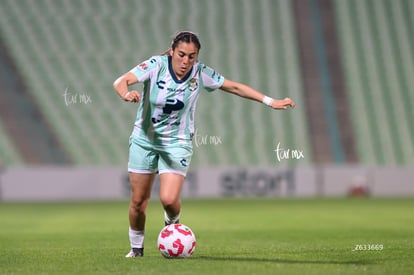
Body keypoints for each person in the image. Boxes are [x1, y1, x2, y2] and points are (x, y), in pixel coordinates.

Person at [113, 31, 295, 257]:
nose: (186, 61)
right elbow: (121, 81)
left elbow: (235, 87)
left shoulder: (199, 73)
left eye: (192, 56)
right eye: (181, 55)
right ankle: (136, 249)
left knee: (169, 200)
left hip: (177, 142)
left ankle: (173, 222)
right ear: (172, 51)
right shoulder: (156, 65)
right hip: (144, 140)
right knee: (139, 202)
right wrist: (125, 93)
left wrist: (271, 101)